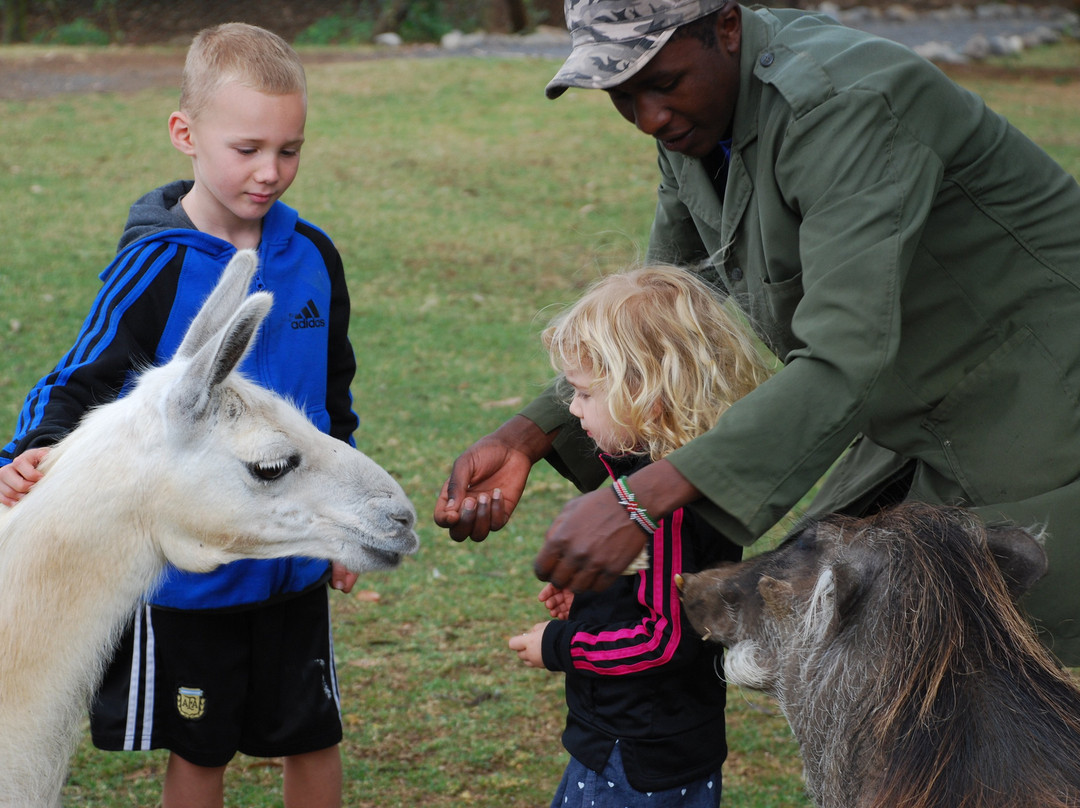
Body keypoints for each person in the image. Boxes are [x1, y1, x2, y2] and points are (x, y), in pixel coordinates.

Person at [434, 0, 1080, 664]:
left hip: (1037, 386)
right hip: (921, 397)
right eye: (621, 95)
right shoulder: (698, 122)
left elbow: (843, 352)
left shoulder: (844, 106)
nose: (649, 118)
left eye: (662, 82)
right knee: (845, 621)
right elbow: (662, 310)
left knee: (960, 643)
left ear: (728, 27)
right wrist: (529, 433)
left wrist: (639, 502)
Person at [0, 23, 357, 808]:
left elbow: (334, 402)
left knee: (314, 733)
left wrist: (337, 519)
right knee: (201, 747)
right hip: (190, 577)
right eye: (248, 148)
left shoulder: (315, 258)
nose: (270, 172)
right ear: (185, 134)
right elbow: (78, 376)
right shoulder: (153, 263)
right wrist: (30, 450)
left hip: (290, 564)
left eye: (290, 150)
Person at [508, 265, 771, 807]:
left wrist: (558, 645)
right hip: (635, 743)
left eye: (582, 393)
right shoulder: (663, 476)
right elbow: (655, 591)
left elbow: (663, 640)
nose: (573, 408)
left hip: (640, 757)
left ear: (645, 396)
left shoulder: (666, 508)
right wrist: (590, 594)